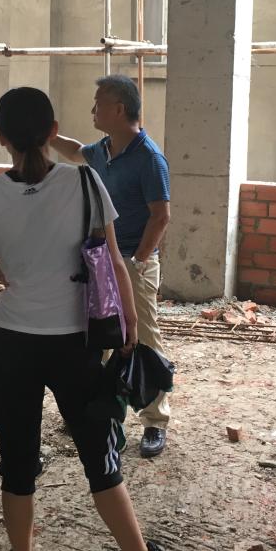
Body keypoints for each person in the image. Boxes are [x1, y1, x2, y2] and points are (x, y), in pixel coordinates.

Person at [0, 87, 163, 551]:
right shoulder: (84, 181)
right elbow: (113, 260)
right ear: (53, 132)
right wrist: (129, 322)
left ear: (0, 137)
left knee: (18, 465)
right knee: (102, 462)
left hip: (11, 344)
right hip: (75, 343)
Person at [51, 75, 172, 458]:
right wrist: (48, 135)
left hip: (135, 262)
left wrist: (138, 262)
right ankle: (104, 413)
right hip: (102, 261)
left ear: (119, 110)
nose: (93, 110)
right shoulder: (104, 149)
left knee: (143, 339)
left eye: (98, 103)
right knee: (102, 336)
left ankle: (155, 421)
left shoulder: (149, 158)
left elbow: (161, 216)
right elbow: (76, 152)